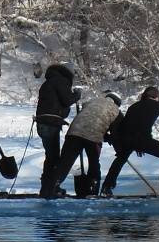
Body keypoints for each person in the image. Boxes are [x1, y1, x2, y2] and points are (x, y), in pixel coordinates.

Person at [100, 86, 159, 199]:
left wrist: (133, 145)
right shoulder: (156, 105)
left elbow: (129, 125)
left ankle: (106, 187)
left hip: (126, 138)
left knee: (120, 159)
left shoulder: (133, 106)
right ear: (156, 97)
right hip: (142, 139)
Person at [44, 91, 122, 199]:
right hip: (93, 136)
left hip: (74, 132)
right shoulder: (116, 111)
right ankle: (93, 189)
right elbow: (115, 132)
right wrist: (118, 148)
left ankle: (52, 187)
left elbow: (89, 119)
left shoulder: (92, 101)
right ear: (117, 103)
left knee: (65, 162)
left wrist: (106, 136)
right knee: (94, 162)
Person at [34, 63, 77, 197]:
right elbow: (67, 100)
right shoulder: (61, 81)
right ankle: (50, 188)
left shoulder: (48, 82)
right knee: (53, 157)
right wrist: (77, 95)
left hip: (42, 122)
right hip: (51, 123)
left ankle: (46, 188)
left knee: (50, 156)